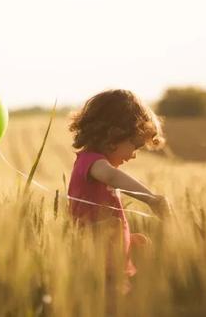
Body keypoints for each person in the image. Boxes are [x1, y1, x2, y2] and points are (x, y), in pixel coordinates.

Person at [67, 89, 173, 305]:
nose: (134, 154)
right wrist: (151, 199)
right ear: (112, 135)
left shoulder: (95, 166)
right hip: (97, 268)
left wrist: (128, 241)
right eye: (134, 145)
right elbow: (112, 176)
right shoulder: (91, 162)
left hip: (111, 265)